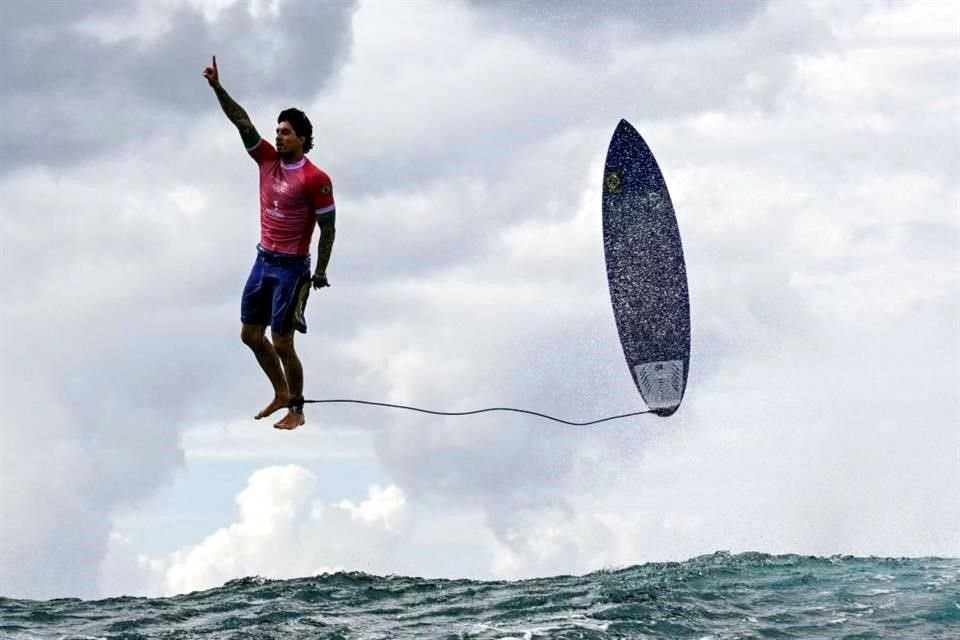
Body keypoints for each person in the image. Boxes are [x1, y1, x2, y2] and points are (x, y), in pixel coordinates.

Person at [203, 55, 336, 430]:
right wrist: (218, 88)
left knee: (282, 341)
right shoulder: (266, 160)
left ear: (303, 140)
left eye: (286, 132)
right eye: (277, 131)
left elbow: (328, 227)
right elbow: (241, 121)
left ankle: (297, 408)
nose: (278, 136)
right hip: (263, 260)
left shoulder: (315, 178)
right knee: (249, 334)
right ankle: (279, 391)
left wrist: (321, 270)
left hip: (293, 268)